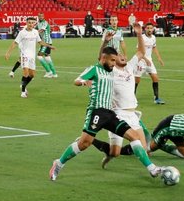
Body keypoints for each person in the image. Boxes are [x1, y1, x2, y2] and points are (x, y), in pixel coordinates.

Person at [48, 45, 164, 182]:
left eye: (115, 61)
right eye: (112, 61)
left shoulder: (111, 71)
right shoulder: (94, 69)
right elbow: (77, 81)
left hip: (110, 113)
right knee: (84, 143)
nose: (114, 64)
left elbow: (116, 60)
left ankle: (152, 169)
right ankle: (59, 163)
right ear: (104, 59)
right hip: (96, 111)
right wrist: (84, 82)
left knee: (134, 136)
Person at [94, 22, 153, 167]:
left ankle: (153, 169)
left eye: (123, 55)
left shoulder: (130, 67)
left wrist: (139, 34)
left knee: (144, 149)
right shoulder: (111, 71)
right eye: (119, 55)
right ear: (113, 60)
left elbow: (141, 52)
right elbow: (100, 59)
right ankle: (90, 141)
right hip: (117, 114)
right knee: (115, 152)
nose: (123, 56)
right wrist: (106, 42)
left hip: (132, 114)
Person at [5, 17, 43, 98]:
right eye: (29, 22)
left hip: (32, 55)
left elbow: (39, 41)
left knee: (32, 75)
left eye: (33, 23)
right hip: (24, 52)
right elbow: (15, 42)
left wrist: (48, 46)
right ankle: (22, 91)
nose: (31, 24)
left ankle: (23, 84)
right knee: (25, 71)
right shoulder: (22, 32)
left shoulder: (35, 32)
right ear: (26, 23)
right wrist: (8, 52)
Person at [135, 22, 165, 104]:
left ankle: (156, 98)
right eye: (148, 28)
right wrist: (145, 59)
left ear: (153, 29)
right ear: (145, 29)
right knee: (137, 80)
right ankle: (132, 97)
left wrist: (159, 58)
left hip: (149, 61)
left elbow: (154, 47)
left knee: (155, 78)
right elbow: (138, 51)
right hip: (141, 61)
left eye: (151, 28)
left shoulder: (153, 38)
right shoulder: (142, 38)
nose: (149, 29)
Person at [36, 13, 58, 78]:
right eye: (39, 16)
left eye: (42, 16)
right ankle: (54, 73)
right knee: (47, 57)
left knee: (39, 56)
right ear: (38, 17)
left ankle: (48, 71)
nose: (41, 17)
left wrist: (33, 33)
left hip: (46, 42)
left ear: (43, 16)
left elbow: (41, 30)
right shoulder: (38, 23)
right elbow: (35, 29)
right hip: (44, 42)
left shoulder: (45, 23)